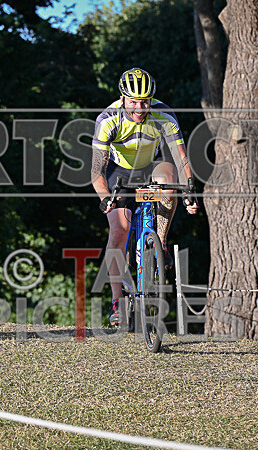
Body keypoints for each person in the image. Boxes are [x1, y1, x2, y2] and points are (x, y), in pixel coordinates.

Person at [91, 68, 198, 325]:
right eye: (133, 102)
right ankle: (117, 300)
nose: (139, 108)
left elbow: (181, 157)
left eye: (145, 102)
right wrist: (105, 197)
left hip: (153, 164)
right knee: (119, 230)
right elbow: (96, 170)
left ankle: (160, 240)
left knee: (169, 181)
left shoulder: (163, 114)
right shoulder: (108, 119)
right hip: (119, 171)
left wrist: (189, 190)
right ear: (122, 98)